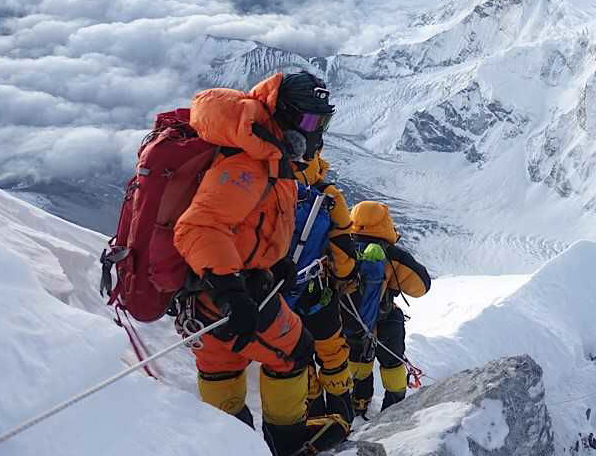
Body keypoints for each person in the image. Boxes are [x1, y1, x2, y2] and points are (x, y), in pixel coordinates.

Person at [173, 71, 345, 455]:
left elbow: (256, 220)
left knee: (221, 364)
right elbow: (198, 227)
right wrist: (232, 291)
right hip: (229, 288)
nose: (315, 132)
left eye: (322, 122)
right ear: (282, 115)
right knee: (294, 352)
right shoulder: (250, 162)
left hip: (203, 291)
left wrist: (275, 261)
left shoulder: (267, 151)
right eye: (309, 122)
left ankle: (231, 445)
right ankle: (286, 446)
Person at [281, 153, 359, 428]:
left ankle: (312, 417)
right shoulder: (326, 194)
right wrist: (344, 276)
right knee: (332, 352)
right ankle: (342, 417)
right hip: (317, 292)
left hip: (278, 298)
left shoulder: (269, 182)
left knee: (297, 357)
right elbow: (344, 256)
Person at [341, 201, 432, 417]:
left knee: (358, 360)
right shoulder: (392, 255)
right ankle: (394, 410)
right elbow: (422, 286)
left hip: (350, 320)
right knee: (393, 365)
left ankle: (359, 403)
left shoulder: (341, 248)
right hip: (386, 320)